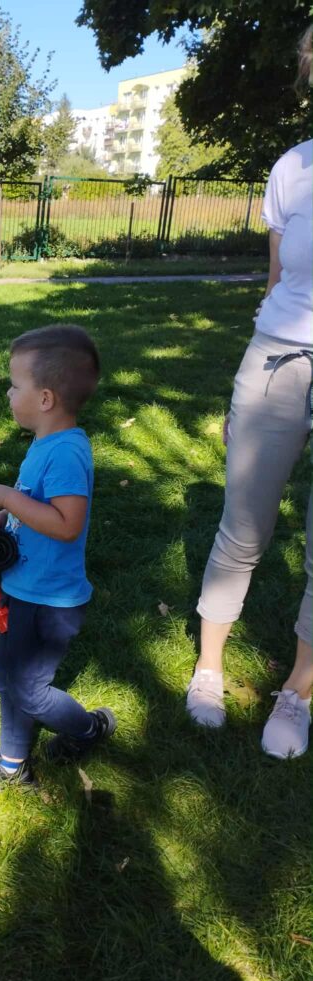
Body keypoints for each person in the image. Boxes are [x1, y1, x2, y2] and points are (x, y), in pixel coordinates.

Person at [186, 26, 313, 759]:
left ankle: (295, 693)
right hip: (273, 362)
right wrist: (243, 383)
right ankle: (208, 668)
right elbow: (276, 282)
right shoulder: (291, 169)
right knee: (242, 526)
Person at [0, 325, 115, 788]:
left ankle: (88, 728)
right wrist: (7, 521)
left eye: (14, 384)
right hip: (26, 587)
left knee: (29, 688)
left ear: (45, 398)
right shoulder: (45, 443)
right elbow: (37, 503)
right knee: (10, 677)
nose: (8, 393)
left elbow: (66, 524)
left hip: (53, 602)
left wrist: (8, 499)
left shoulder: (67, 453)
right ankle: (13, 764)